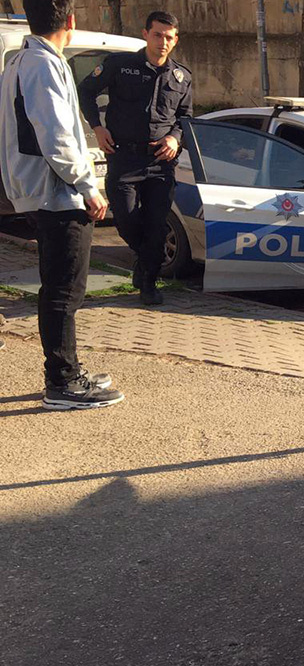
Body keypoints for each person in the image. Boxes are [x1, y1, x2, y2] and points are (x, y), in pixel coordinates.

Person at [0, 0, 122, 410]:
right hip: (58, 193)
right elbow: (55, 135)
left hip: (41, 189)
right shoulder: (44, 65)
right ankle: (63, 381)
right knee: (65, 290)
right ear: (70, 20)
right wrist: (88, 185)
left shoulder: (19, 61)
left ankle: (67, 370)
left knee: (58, 286)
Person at [78, 10, 192, 306]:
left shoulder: (182, 77)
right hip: (124, 158)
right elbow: (85, 91)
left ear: (175, 40)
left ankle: (148, 283)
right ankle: (144, 261)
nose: (163, 42)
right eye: (157, 35)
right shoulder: (120, 65)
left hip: (160, 162)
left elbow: (186, 118)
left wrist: (174, 138)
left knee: (156, 225)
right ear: (145, 34)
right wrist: (97, 127)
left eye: (169, 37)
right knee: (126, 221)